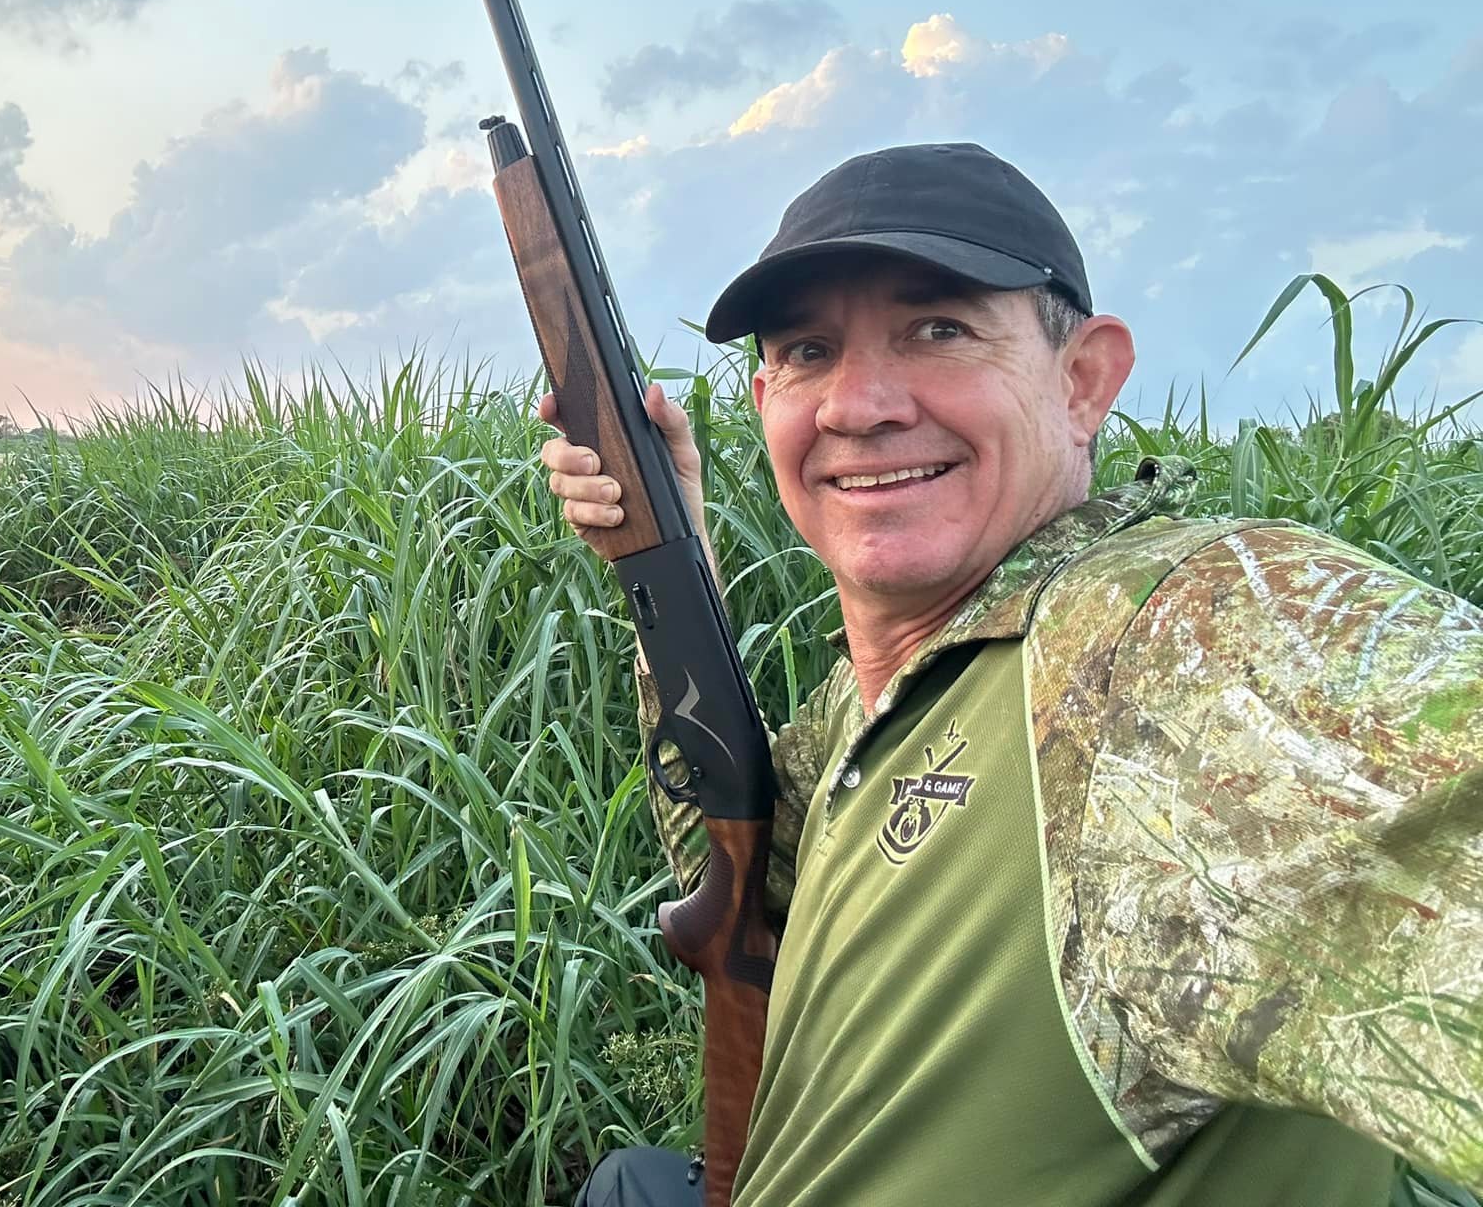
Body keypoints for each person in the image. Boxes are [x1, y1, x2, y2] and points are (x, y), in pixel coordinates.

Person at [537, 142, 1482, 1206]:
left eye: (938, 329)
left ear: (1083, 381)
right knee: (631, 1183)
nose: (856, 406)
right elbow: (753, 885)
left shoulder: (1173, 640)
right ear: (765, 401)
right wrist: (671, 561)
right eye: (807, 351)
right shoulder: (890, 693)